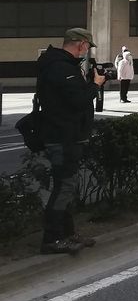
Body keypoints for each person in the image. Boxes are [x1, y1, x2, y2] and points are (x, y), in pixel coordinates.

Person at [36, 28, 106, 254]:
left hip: (66, 135)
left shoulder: (62, 66)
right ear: (80, 44)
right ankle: (52, 239)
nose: (87, 51)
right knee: (64, 186)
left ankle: (66, 234)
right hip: (62, 136)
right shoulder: (61, 67)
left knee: (66, 186)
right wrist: (95, 84)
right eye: (87, 46)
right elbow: (77, 101)